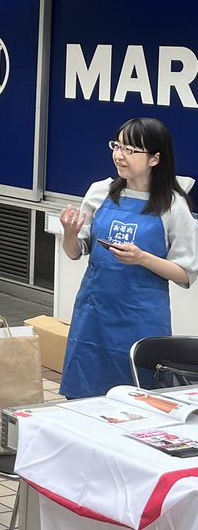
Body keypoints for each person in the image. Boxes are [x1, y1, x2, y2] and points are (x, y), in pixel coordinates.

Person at [58, 118, 198, 399]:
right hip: (93, 314)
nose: (120, 155)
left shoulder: (173, 205)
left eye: (131, 150)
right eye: (117, 146)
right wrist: (70, 234)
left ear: (155, 159)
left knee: (137, 401)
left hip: (141, 318)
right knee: (83, 397)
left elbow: (186, 274)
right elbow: (75, 252)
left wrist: (142, 258)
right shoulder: (100, 191)